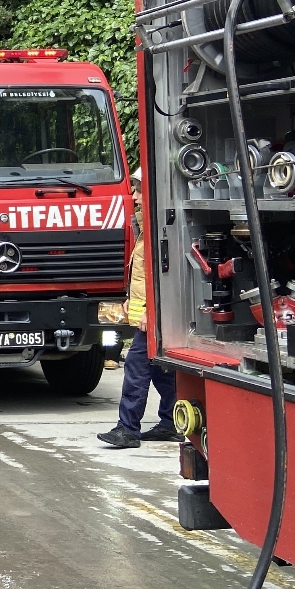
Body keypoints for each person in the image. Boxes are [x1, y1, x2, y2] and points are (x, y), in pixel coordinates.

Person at [99, 171, 180, 448]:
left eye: (139, 190)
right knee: (160, 371)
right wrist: (130, 301)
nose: (133, 196)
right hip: (151, 313)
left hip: (154, 316)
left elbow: (165, 277)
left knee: (136, 367)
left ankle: (128, 429)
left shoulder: (158, 231)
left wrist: (151, 311)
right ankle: (171, 423)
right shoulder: (148, 228)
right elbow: (144, 275)